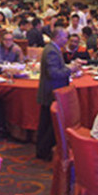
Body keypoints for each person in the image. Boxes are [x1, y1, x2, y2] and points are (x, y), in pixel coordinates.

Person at [36, 27, 82, 160]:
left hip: (50, 91)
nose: (67, 40)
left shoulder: (52, 48)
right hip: (52, 92)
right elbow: (53, 73)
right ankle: (43, 151)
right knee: (50, 125)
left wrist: (68, 67)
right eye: (65, 37)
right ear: (58, 37)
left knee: (46, 124)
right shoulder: (52, 50)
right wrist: (70, 69)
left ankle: (42, 151)